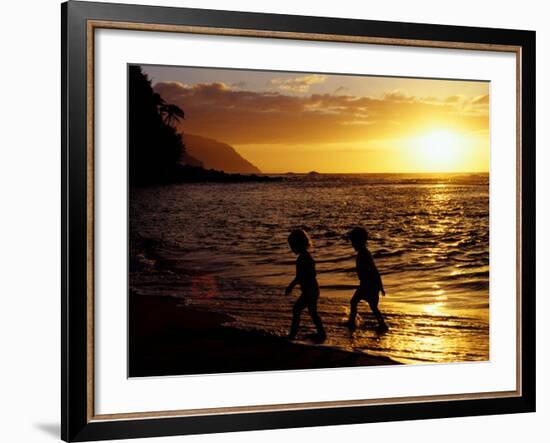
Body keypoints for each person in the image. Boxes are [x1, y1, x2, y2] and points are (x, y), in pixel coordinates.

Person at [285, 229, 326, 342]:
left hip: (310, 291)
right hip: (311, 290)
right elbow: (303, 275)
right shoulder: (305, 257)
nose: (291, 248)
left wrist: (291, 286)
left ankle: (292, 335)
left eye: (292, 245)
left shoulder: (303, 258)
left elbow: (304, 275)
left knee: (297, 310)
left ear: (297, 244)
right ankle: (321, 333)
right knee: (312, 312)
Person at [346, 227, 388, 331]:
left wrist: (380, 286)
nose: (352, 244)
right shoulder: (363, 253)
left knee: (358, 303)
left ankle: (352, 323)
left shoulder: (364, 254)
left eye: (353, 242)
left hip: (368, 285)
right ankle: (381, 324)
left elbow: (374, 271)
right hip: (367, 284)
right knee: (367, 305)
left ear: (360, 241)